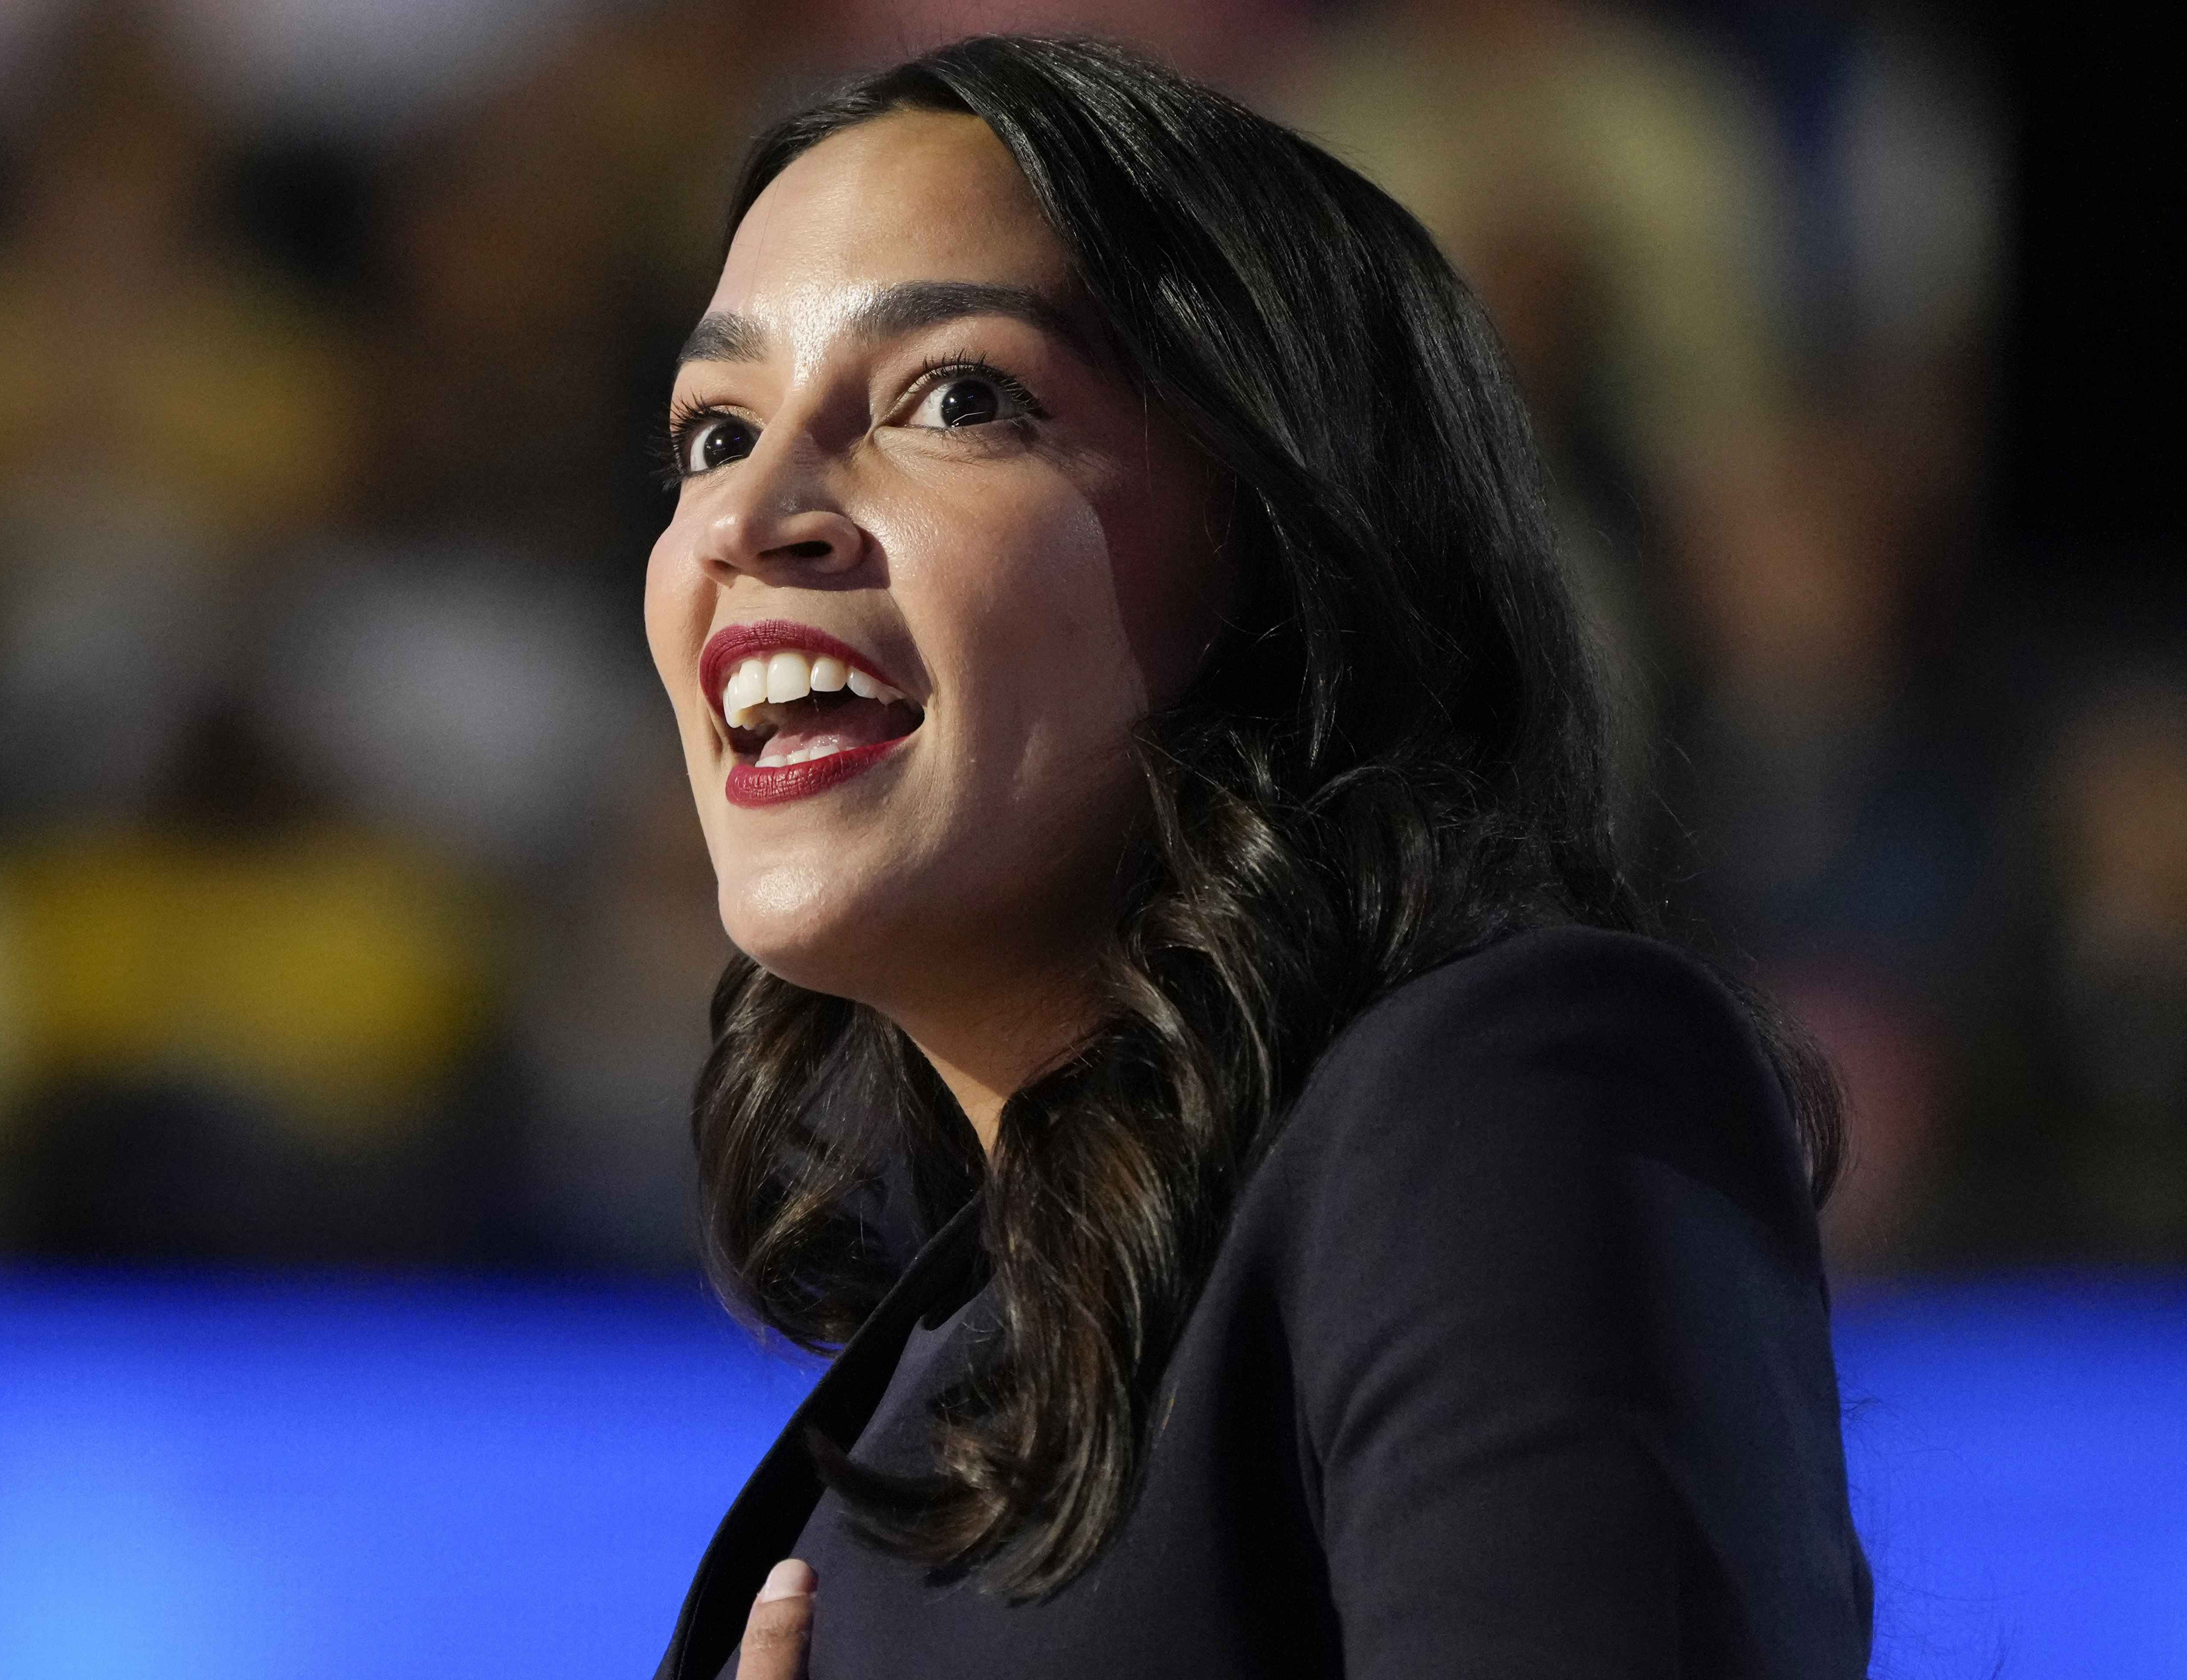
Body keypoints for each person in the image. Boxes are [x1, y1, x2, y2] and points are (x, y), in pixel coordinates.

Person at [640, 36, 1871, 1680]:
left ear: (1287, 554)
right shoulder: (973, 1333)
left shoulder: (1501, 1092)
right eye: (714, 431)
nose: (747, 515)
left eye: (959, 396)